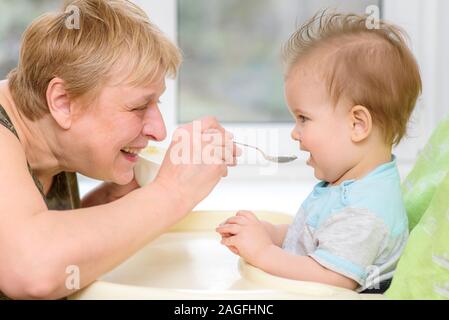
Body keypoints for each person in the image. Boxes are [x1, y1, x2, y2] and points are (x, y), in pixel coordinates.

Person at [0, 0, 239, 299]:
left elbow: (21, 232)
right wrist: (172, 192)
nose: (159, 130)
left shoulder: (46, 141)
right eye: (139, 106)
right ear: (62, 102)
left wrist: (111, 199)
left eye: (157, 104)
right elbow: (31, 270)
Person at [217, 12, 422, 293]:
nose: (294, 132)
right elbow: (315, 238)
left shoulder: (367, 211)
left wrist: (263, 252)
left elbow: (331, 277)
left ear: (357, 124)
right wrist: (272, 234)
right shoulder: (345, 184)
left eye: (303, 118)